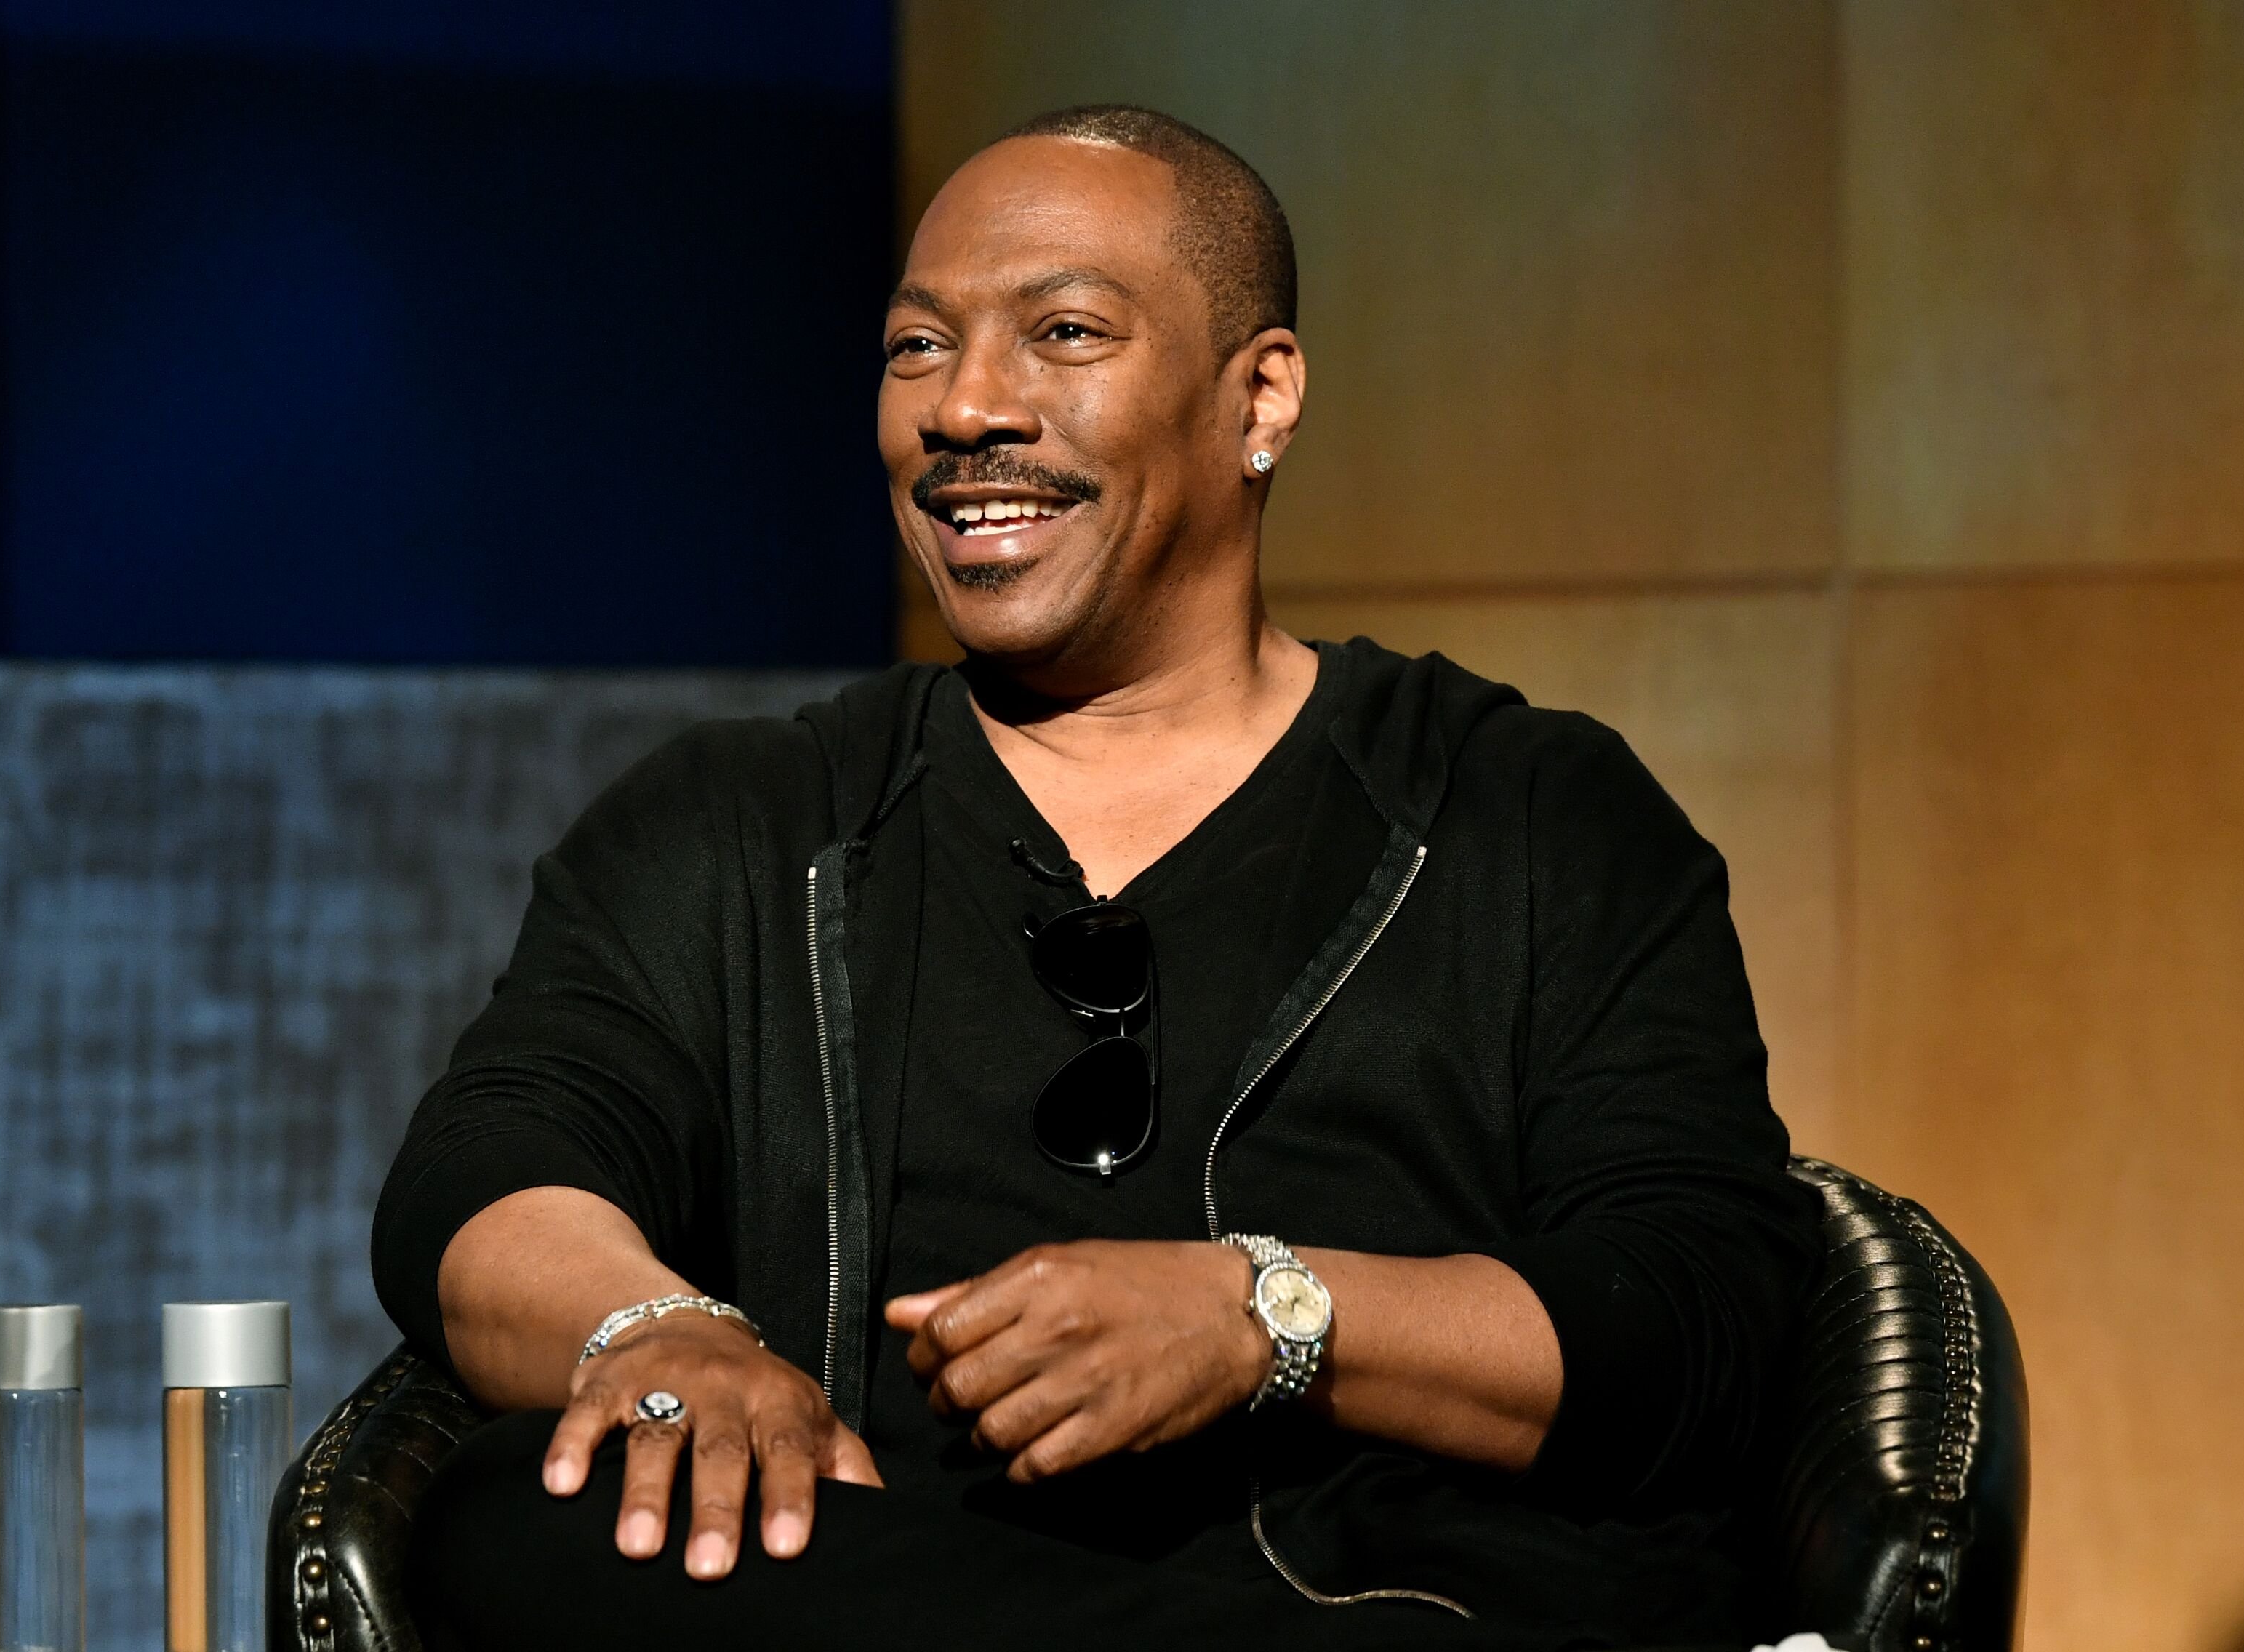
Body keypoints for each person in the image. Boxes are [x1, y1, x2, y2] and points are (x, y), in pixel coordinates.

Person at [374, 104, 1822, 1651]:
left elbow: (1694, 1311)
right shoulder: (744, 818)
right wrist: (656, 1329)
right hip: (880, 1583)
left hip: (1414, 1585)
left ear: (1256, 397)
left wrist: (1261, 1318)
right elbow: (493, 1163)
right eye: (915, 348)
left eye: (1061, 332)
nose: (966, 408)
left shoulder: (1526, 811)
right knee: (510, 1509)